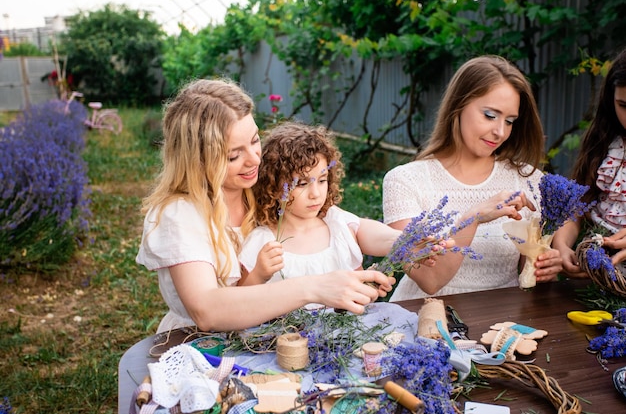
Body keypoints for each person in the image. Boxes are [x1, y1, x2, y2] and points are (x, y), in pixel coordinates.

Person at [135, 79, 394, 334]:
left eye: (255, 139)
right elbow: (206, 311)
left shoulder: (264, 190)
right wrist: (315, 288)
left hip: (271, 338)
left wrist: (401, 242)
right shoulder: (181, 214)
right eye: (233, 155)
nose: (254, 159)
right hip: (201, 347)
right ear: (196, 160)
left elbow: (343, 224)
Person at [382, 55, 563, 300]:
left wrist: (544, 269)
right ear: (459, 105)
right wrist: (473, 218)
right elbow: (429, 280)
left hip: (503, 328)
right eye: (490, 115)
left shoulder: (528, 180)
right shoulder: (405, 181)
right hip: (423, 322)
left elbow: (527, 277)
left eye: (509, 121)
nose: (500, 131)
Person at [238, 122, 445, 287]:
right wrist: (258, 274)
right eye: (302, 184)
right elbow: (242, 301)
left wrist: (406, 242)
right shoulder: (264, 240)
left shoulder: (335, 223)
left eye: (322, 180)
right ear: (273, 186)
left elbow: (372, 233)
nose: (316, 194)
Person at [552, 48, 626, 276]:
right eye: (623, 106)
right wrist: (562, 246)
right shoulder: (605, 142)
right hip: (594, 281)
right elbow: (578, 208)